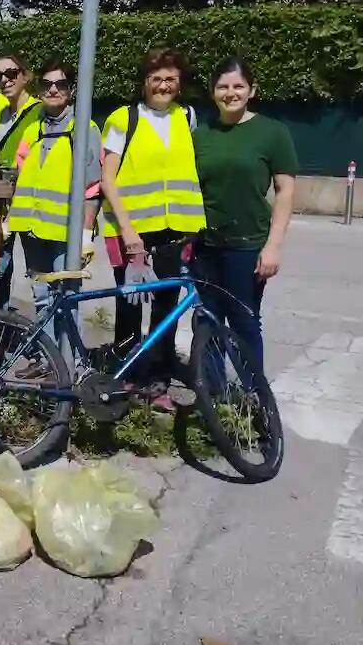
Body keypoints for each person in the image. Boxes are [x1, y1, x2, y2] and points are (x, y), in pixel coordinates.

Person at [101, 49, 205, 392]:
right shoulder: (123, 118)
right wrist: (129, 232)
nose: (163, 85)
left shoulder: (187, 116)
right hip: (132, 230)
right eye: (156, 78)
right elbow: (107, 179)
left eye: (170, 79)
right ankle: (127, 374)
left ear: (180, 83)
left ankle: (158, 377)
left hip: (176, 228)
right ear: (144, 82)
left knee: (166, 305)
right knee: (130, 303)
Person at [193, 58, 296, 371]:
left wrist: (273, 246)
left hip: (247, 244)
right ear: (212, 92)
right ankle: (213, 398)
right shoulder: (200, 135)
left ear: (252, 90)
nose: (230, 92)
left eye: (238, 86)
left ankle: (254, 397)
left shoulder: (272, 133)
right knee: (206, 321)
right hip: (204, 244)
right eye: (223, 86)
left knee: (244, 321)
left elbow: (285, 191)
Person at [6, 60, 102, 354]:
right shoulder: (33, 129)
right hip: (32, 230)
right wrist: (9, 219)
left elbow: (93, 187)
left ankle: (68, 363)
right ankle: (49, 363)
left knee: (66, 299)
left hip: (66, 233)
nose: (53, 89)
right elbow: (20, 177)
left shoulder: (84, 129)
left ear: (70, 90)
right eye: (47, 84)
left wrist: (86, 233)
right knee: (41, 297)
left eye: (60, 84)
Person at [0, 53, 41, 309]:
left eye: (10, 74)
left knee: (40, 280)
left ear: (25, 75)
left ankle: (47, 346)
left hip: (32, 207)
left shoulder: (40, 112)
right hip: (4, 206)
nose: (4, 80)